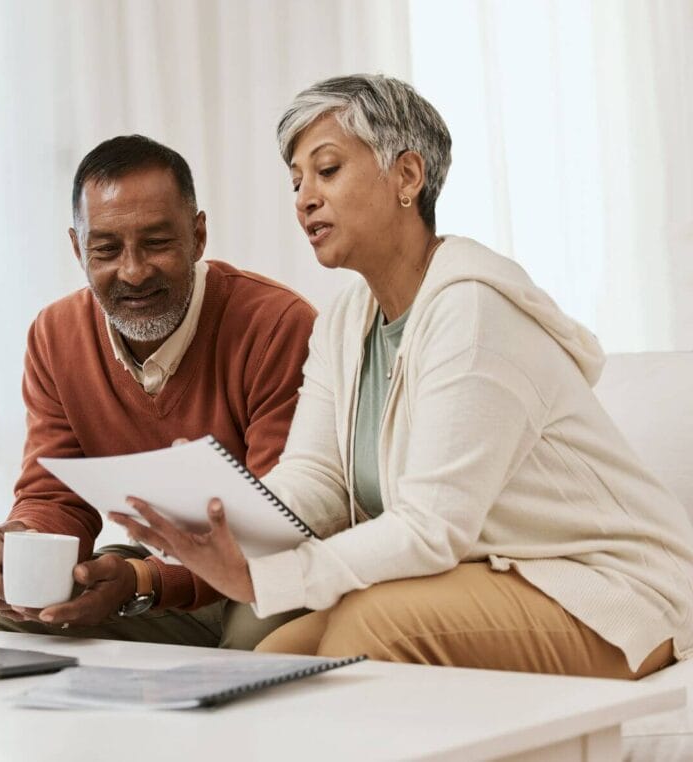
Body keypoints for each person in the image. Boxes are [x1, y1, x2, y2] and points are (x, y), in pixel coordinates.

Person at [111, 75, 693, 679]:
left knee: (369, 627)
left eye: (327, 170)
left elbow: (432, 526)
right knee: (269, 663)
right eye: (296, 181)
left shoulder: (472, 310)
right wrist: (216, 513)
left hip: (610, 591)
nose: (303, 198)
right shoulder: (343, 323)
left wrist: (269, 575)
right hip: (490, 572)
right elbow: (318, 482)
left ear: (408, 177)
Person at [0, 134, 317, 650]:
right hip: (159, 575)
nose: (132, 272)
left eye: (156, 243)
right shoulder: (55, 335)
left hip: (265, 572)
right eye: (106, 249)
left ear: (198, 237)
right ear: (76, 248)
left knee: (253, 642)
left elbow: (276, 529)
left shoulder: (276, 325)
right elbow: (53, 494)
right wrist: (20, 541)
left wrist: (146, 582)